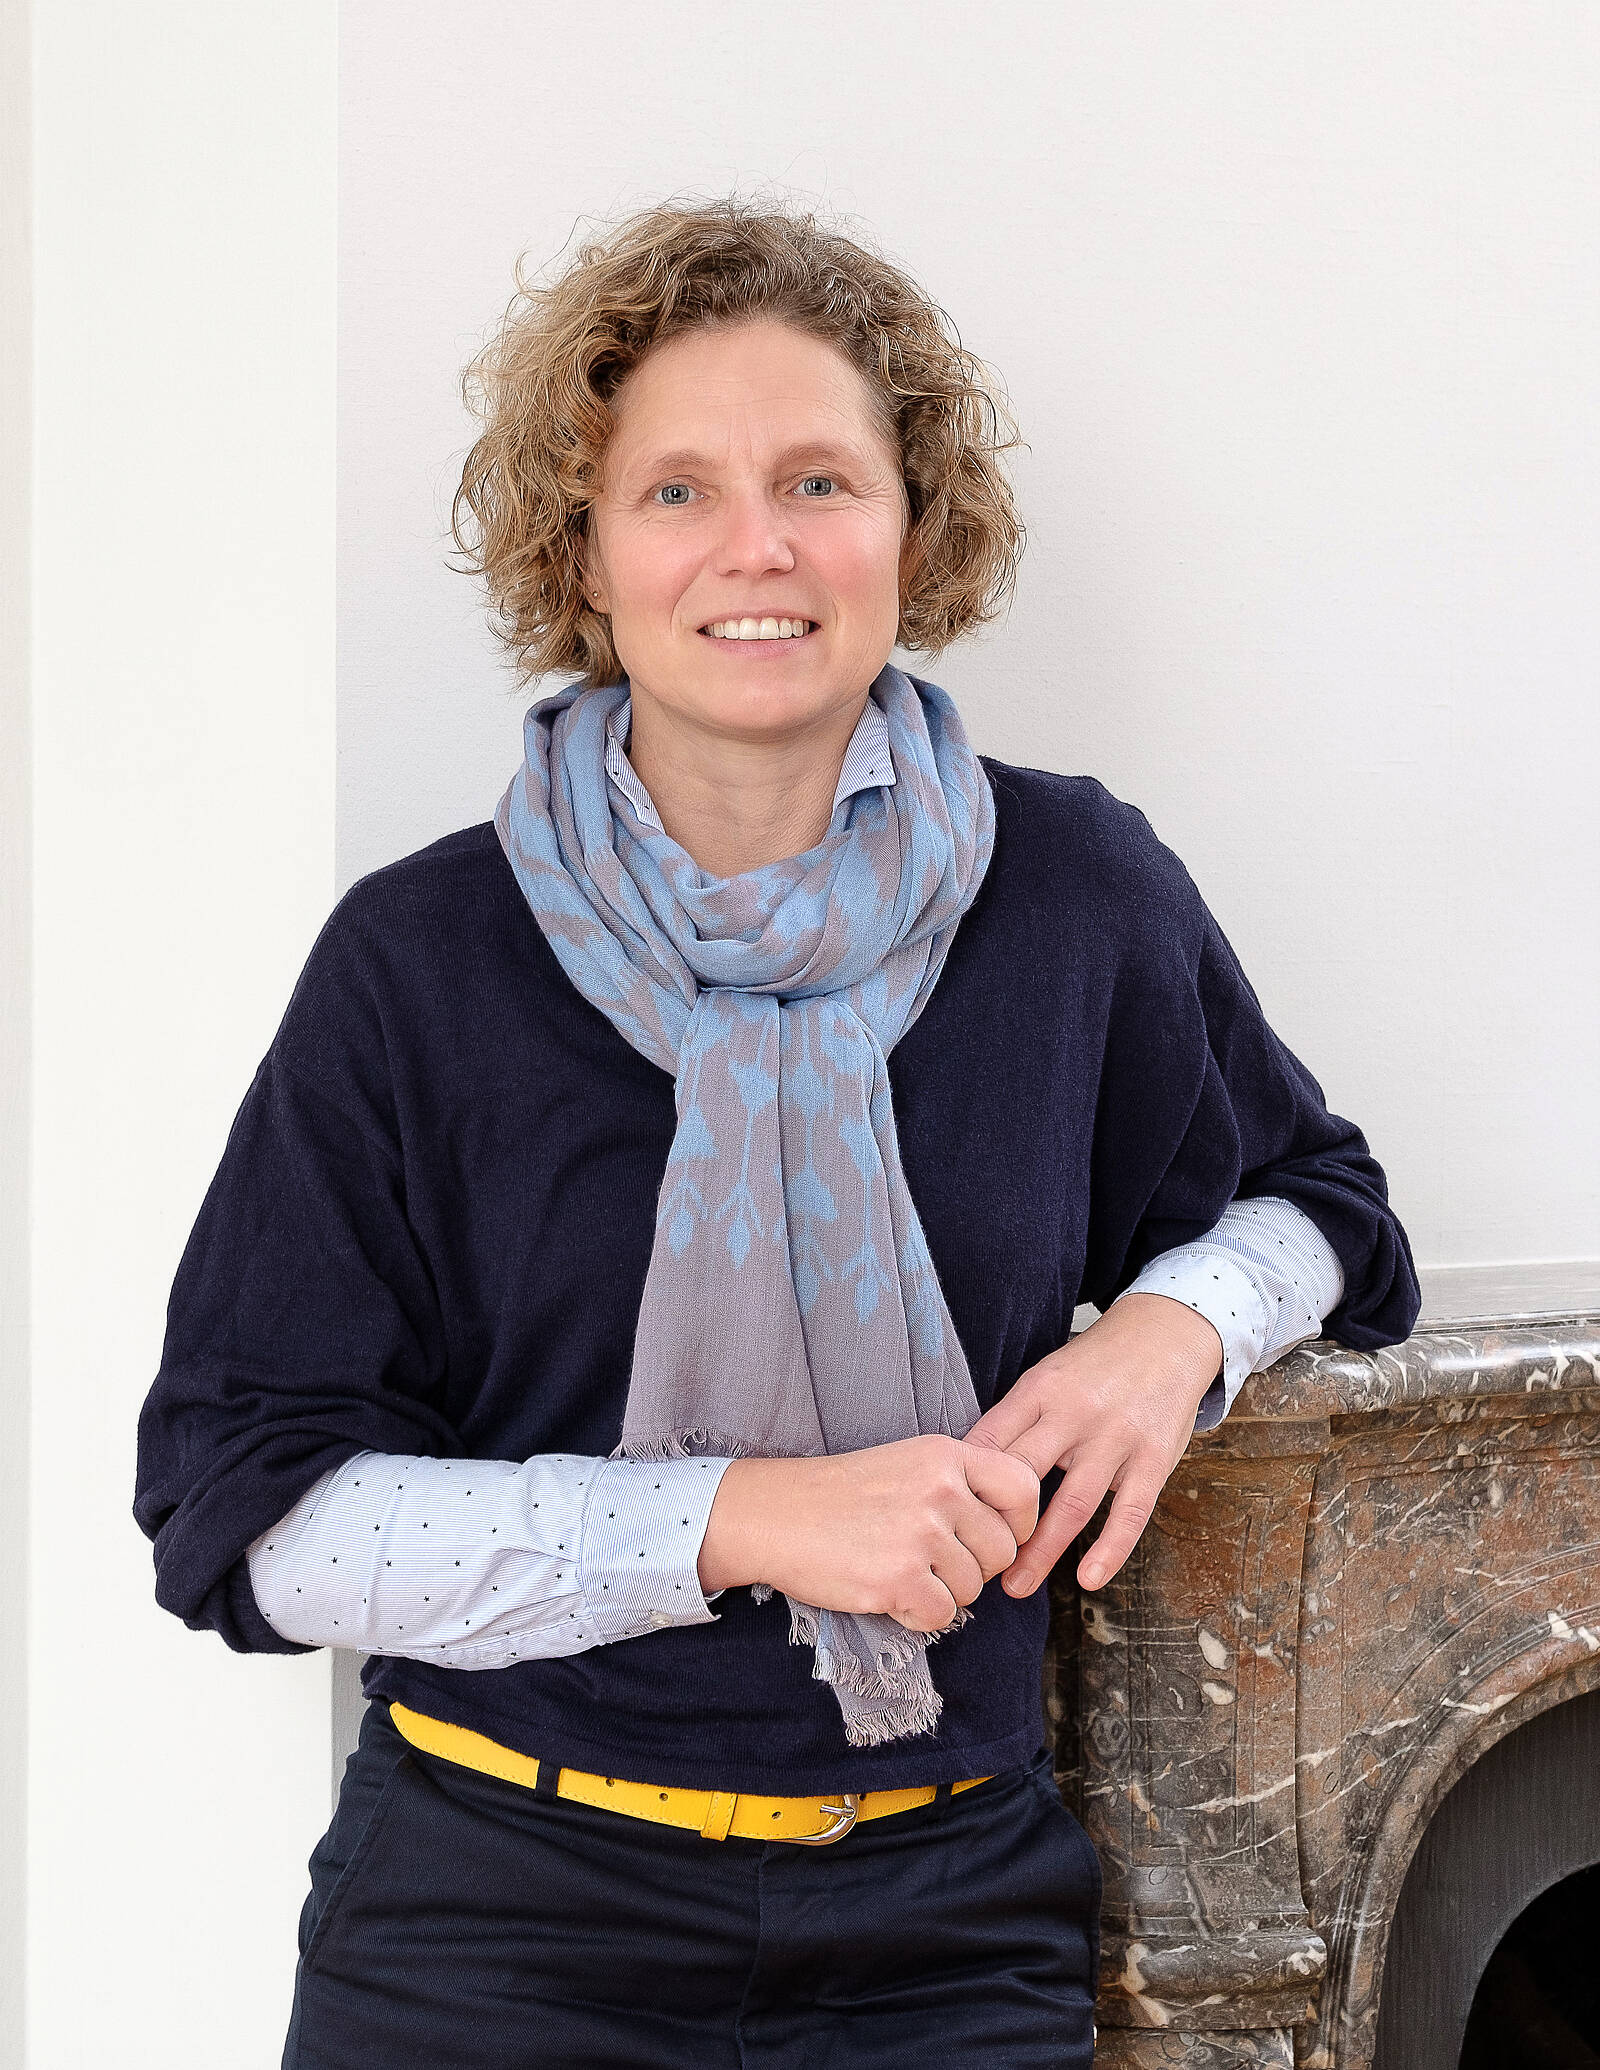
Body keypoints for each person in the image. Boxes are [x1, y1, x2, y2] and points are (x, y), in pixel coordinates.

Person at [133, 196, 1420, 2069]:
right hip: (493, 1920)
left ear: (917, 527)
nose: (760, 545)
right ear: (584, 553)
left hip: (946, 1922)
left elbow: (1320, 1200)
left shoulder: (1075, 894)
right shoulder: (418, 959)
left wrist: (1171, 1332)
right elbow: (252, 1521)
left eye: (821, 480)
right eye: (678, 491)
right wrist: (741, 1518)